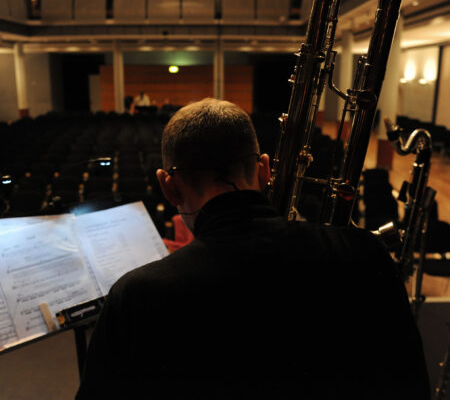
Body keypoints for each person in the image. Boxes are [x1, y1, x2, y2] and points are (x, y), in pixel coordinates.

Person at [76, 98, 430, 400]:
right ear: (263, 170)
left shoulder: (136, 297)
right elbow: (411, 386)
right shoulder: (365, 256)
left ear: (168, 188)